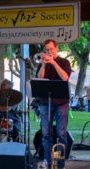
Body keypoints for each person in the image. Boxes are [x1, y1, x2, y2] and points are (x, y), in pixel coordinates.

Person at [36, 39, 71, 168]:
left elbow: (65, 77)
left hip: (61, 102)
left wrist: (54, 63)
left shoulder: (64, 62)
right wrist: (44, 65)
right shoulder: (43, 62)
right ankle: (47, 161)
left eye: (51, 49)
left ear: (57, 48)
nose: (49, 51)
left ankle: (60, 163)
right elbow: (39, 78)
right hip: (46, 102)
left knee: (61, 133)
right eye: (47, 49)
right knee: (46, 134)